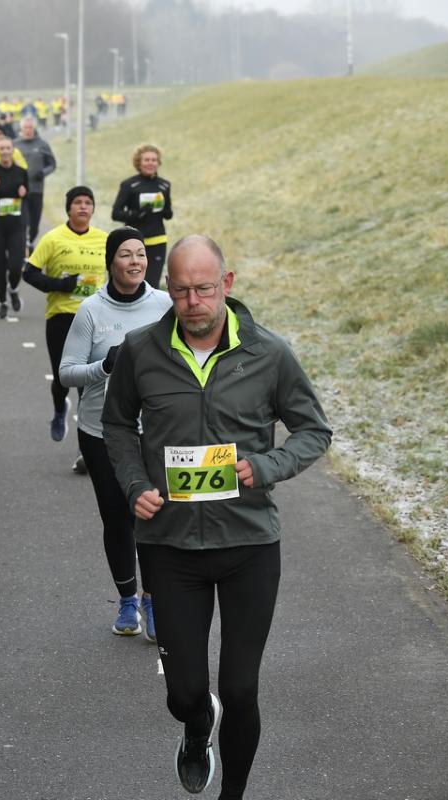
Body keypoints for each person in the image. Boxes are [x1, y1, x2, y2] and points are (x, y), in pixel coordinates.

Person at [101, 235, 331, 799]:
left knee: (241, 688)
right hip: (169, 546)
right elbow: (117, 425)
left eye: (204, 289)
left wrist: (267, 466)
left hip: (248, 544)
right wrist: (134, 485)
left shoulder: (268, 353)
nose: (193, 302)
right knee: (184, 693)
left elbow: (313, 431)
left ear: (226, 284)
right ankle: (197, 724)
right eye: (181, 290)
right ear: (168, 288)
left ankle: (233, 793)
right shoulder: (140, 350)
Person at [57, 227, 172, 639]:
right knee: (118, 519)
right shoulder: (91, 310)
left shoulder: (164, 305)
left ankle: (153, 600)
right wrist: (105, 366)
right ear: (111, 262)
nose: (135, 261)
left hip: (156, 431)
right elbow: (67, 373)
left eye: (140, 253)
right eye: (126, 254)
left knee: (153, 518)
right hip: (101, 431)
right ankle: (126, 601)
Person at [22, 186, 105, 473]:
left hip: (94, 318)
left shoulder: (104, 240)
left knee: (87, 384)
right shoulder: (54, 238)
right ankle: (60, 408)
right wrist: (61, 285)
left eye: (88, 202)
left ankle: (85, 449)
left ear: (93, 209)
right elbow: (29, 273)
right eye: (77, 202)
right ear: (69, 208)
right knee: (62, 378)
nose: (83, 207)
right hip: (61, 316)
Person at [112, 143, 174, 289]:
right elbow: (116, 214)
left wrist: (163, 209)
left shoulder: (164, 185)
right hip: (134, 242)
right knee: (133, 284)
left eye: (154, 160)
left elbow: (169, 214)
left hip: (158, 240)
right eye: (146, 160)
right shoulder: (129, 185)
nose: (150, 163)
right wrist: (136, 214)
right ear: (139, 162)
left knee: (152, 285)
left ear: (158, 163)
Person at [0, 137, 30, 320]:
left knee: (16, 266)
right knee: (0, 268)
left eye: (8, 148)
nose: (5, 152)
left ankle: (14, 289)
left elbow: (28, 197)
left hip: (16, 226)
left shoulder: (21, 172)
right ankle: (2, 303)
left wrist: (24, 195)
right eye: (1, 148)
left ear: (12, 150)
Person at [13, 115, 58, 251]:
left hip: (36, 189)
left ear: (34, 128)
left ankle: (30, 242)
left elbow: (52, 164)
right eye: (25, 128)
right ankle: (22, 247)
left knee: (34, 224)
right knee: (21, 221)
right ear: (21, 129)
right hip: (18, 191)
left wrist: (43, 173)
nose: (28, 130)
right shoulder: (14, 145)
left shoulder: (42, 144)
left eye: (30, 127)